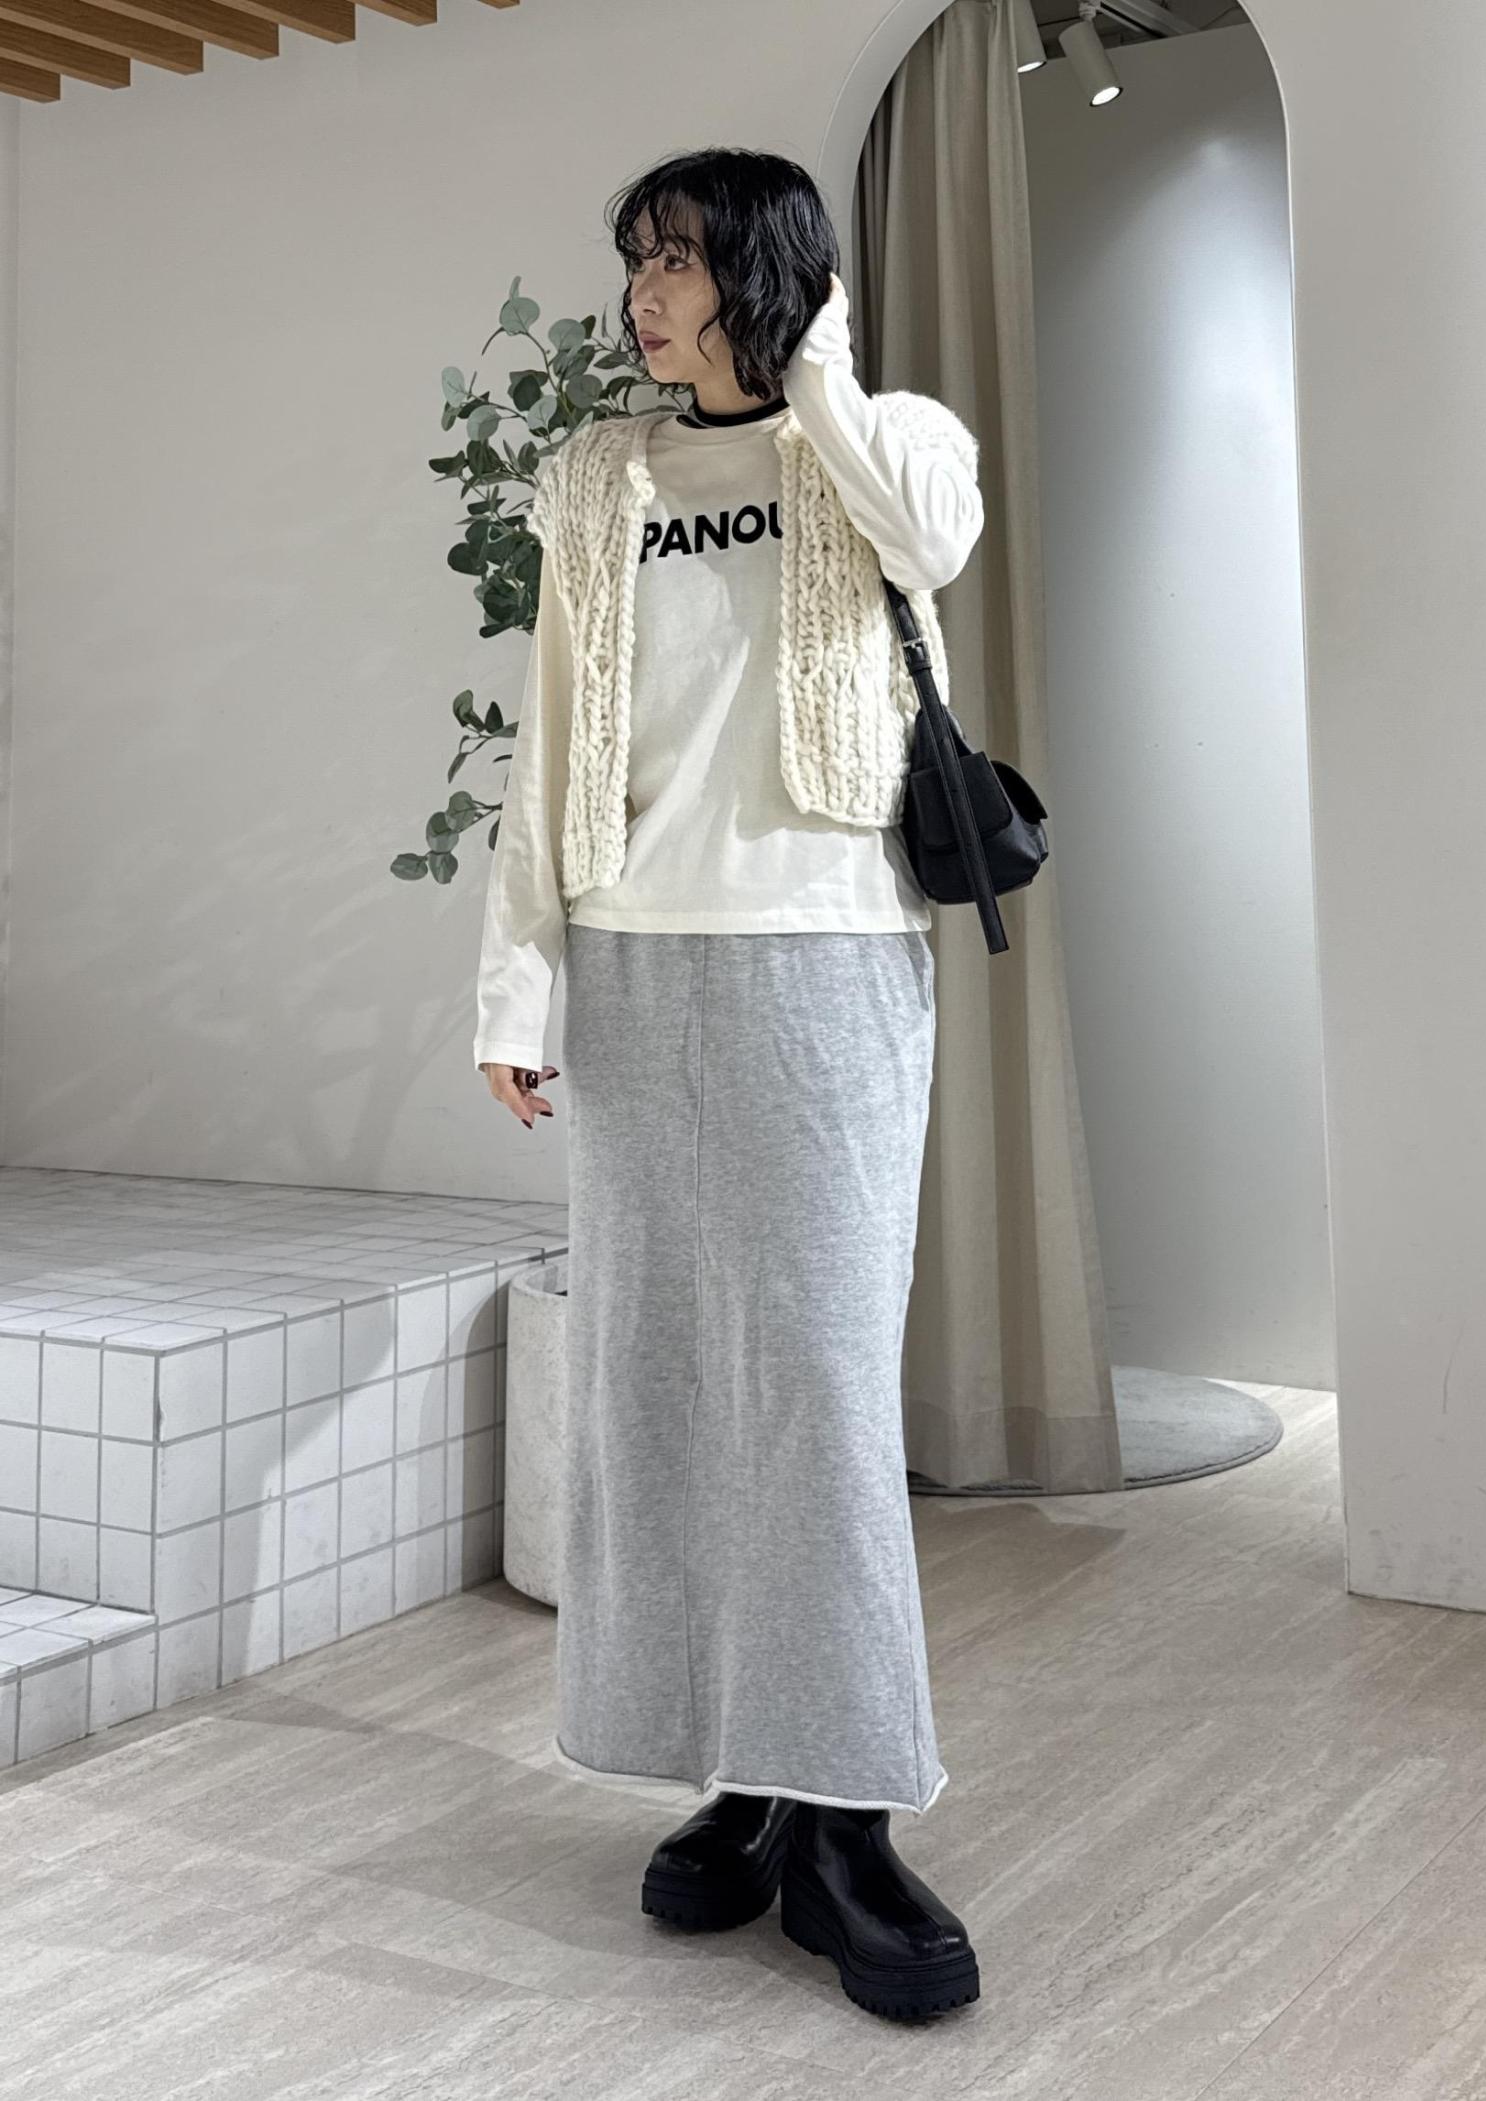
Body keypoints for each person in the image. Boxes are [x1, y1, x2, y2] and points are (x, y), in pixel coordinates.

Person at [474, 147, 984, 2023]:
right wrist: (519, 985)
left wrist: (819, 370)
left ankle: (847, 1817)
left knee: (821, 1389)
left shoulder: (886, 439)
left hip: (829, 960)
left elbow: (929, 544)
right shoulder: (598, 477)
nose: (642, 295)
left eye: (678, 261)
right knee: (667, 1385)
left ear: (766, 272)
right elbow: (551, 746)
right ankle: (743, 1774)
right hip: (634, 967)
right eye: (634, 261)